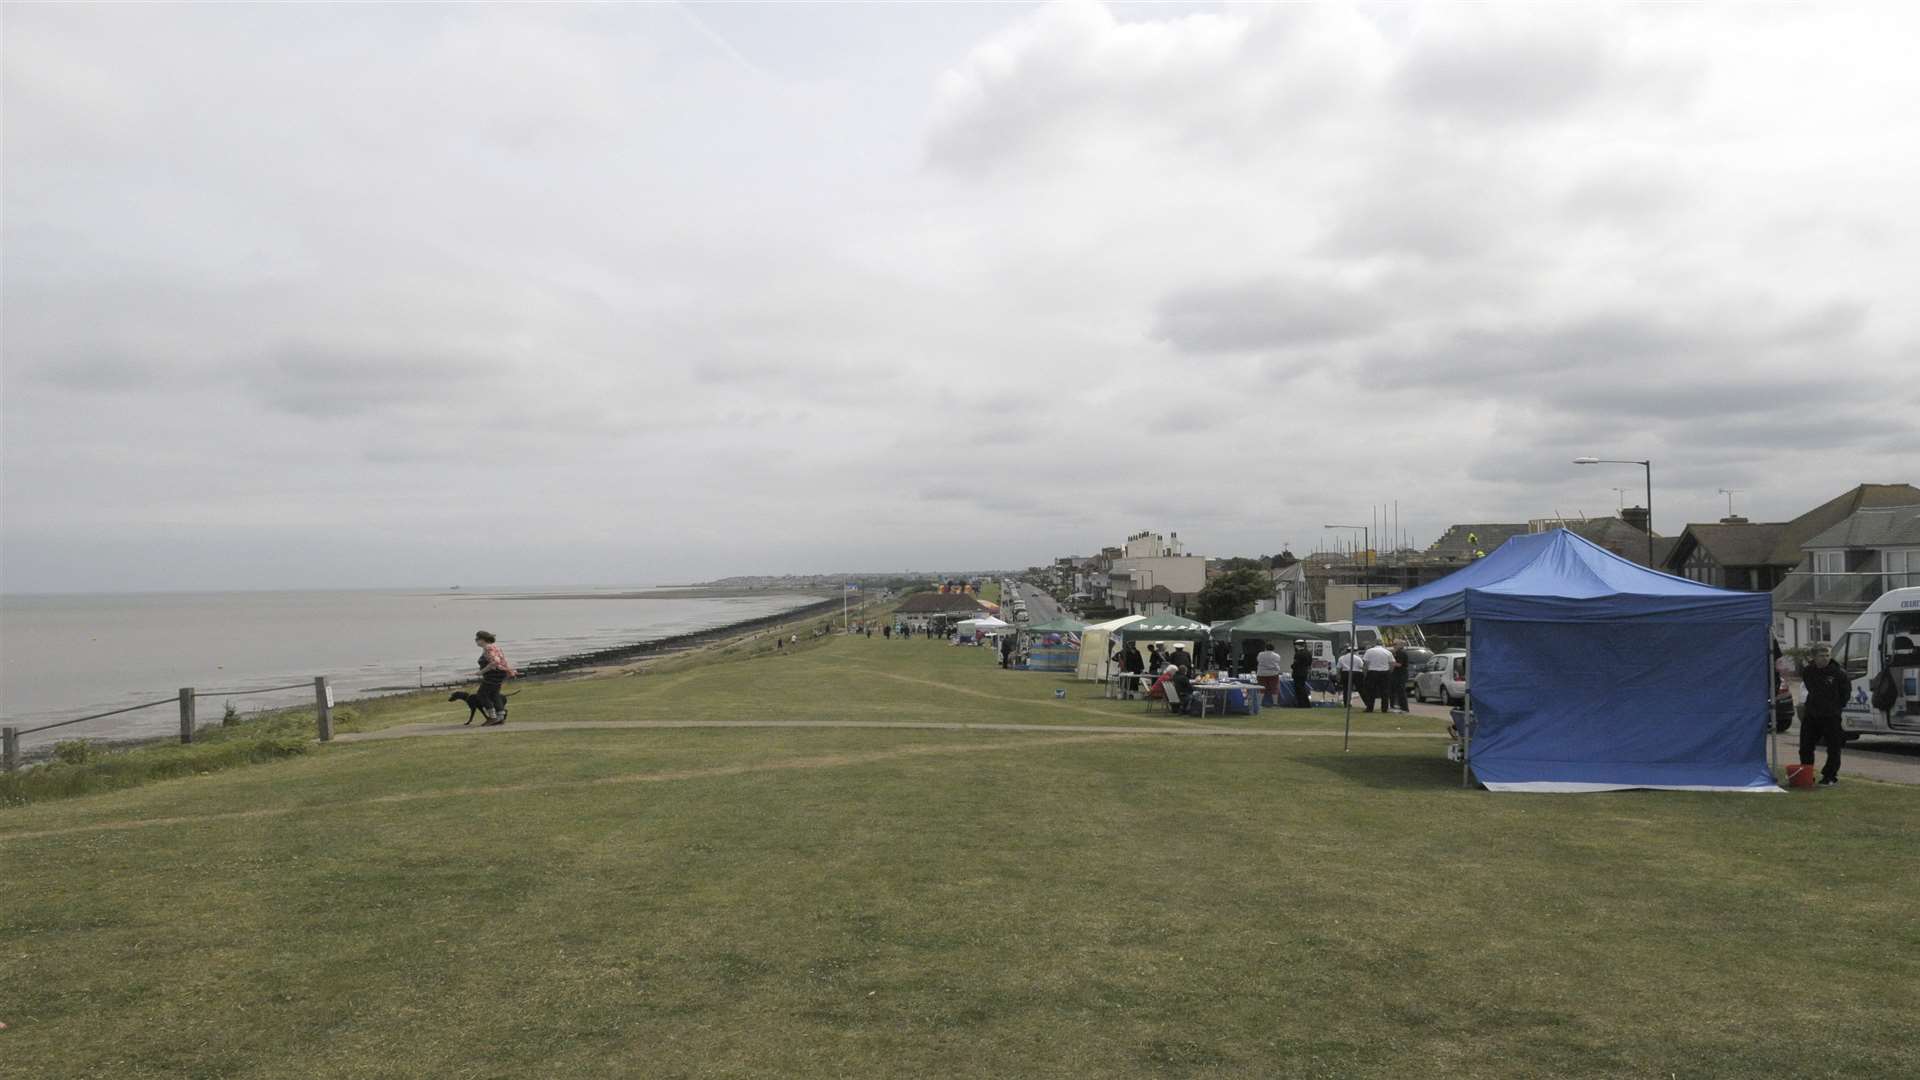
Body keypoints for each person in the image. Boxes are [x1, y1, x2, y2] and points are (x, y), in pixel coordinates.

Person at [1799, 642, 1852, 786]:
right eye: (1821, 656)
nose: (1825, 658)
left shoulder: (1839, 673)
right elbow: (1810, 687)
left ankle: (1830, 776)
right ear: (1814, 657)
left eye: (1827, 655)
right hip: (1812, 714)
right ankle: (1807, 774)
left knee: (1834, 747)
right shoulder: (1808, 671)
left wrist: (1834, 707)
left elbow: (1845, 694)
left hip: (1831, 716)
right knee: (1805, 747)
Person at [472, 630, 517, 726]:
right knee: (494, 694)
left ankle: (493, 717)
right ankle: (500, 717)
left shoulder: (488, 648)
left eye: (477, 639)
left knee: (481, 694)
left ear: (483, 639)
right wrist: (508, 671)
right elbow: (502, 661)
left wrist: (481, 672)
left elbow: (495, 662)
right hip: (499, 674)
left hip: (493, 675)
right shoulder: (494, 647)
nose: (475, 641)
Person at [1361, 641, 1395, 713]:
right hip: (1384, 672)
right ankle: (1384, 708)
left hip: (1372, 672)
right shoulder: (1388, 652)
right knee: (1385, 691)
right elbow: (1392, 664)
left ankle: (1370, 708)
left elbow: (1366, 664)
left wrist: (1365, 674)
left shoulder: (1369, 651)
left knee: (1371, 691)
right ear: (1382, 644)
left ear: (1374, 644)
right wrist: (1389, 672)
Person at [1254, 641, 1285, 706]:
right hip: (1273, 674)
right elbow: (1277, 662)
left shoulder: (1260, 654)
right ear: (1273, 648)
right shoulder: (1277, 656)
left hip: (1261, 673)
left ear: (1265, 648)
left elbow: (1258, 660)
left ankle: (1259, 703)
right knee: (1274, 688)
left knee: (1261, 688)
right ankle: (1275, 703)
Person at [1291, 641, 1314, 709]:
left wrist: (1292, 666)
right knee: (1302, 688)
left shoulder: (1298, 653)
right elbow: (1310, 663)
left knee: (1299, 689)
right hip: (1304, 672)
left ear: (1298, 645)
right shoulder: (1308, 653)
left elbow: (1295, 664)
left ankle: (1301, 704)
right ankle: (1306, 704)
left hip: (1298, 673)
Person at [1390, 643, 1411, 713]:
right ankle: (1399, 706)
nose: (1393, 646)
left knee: (1401, 691)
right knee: (1397, 691)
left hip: (1401, 675)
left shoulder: (1400, 653)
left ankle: (1405, 708)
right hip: (1399, 675)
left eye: (1395, 645)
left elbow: (1399, 664)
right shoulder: (1398, 653)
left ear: (1399, 646)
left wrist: (1390, 663)